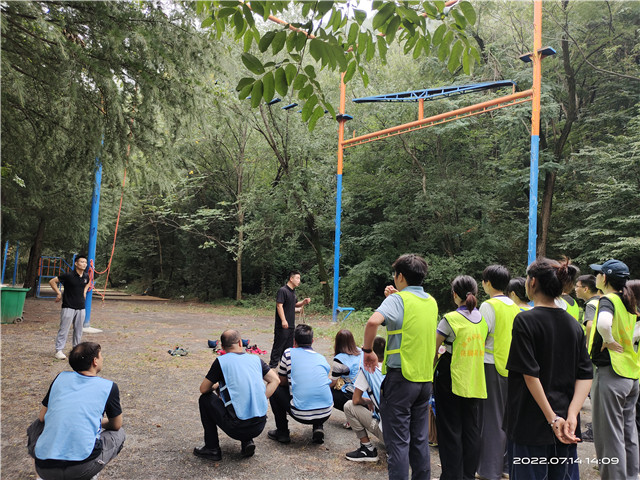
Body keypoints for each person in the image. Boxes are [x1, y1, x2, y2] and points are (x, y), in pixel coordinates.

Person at [504, 257, 593, 480]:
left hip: (530, 423)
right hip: (566, 427)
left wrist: (552, 419)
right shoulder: (574, 325)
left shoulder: (525, 321)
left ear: (532, 282)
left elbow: (530, 374)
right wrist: (571, 415)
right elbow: (585, 374)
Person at [362, 253, 438, 480]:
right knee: (419, 440)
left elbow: (373, 321)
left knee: (398, 444)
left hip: (401, 380)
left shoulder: (397, 301)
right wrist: (396, 297)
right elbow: (411, 318)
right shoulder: (431, 302)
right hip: (424, 382)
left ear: (400, 276)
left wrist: (368, 352)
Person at [27, 342, 125, 480]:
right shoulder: (108, 387)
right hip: (82, 469)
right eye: (101, 355)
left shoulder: (60, 378)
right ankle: (92, 473)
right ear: (95, 361)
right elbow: (116, 425)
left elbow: (42, 417)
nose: (102, 358)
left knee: (36, 425)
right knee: (119, 434)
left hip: (44, 468)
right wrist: (96, 422)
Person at [194, 329, 279, 461]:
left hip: (237, 428)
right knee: (243, 397)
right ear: (240, 342)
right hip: (259, 425)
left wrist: (216, 386)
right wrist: (260, 398)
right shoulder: (256, 360)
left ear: (222, 347)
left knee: (205, 399)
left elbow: (203, 389)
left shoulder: (221, 362)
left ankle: (212, 448)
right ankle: (247, 442)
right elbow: (275, 380)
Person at [589, 259, 639, 480]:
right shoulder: (629, 302)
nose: (596, 276)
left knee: (609, 437)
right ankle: (632, 476)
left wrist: (608, 340)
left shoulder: (608, 300)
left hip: (611, 374)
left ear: (605, 278)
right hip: (631, 375)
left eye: (599, 274)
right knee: (629, 433)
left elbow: (603, 324)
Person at [434, 275, 488, 480]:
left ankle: (451, 476)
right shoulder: (482, 320)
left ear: (455, 295)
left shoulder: (450, 319)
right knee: (471, 430)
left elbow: (434, 350)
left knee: (450, 430)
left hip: (451, 377)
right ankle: (467, 475)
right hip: (474, 378)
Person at [477, 264, 520, 480]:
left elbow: (479, 336)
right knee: (505, 418)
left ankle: (488, 470)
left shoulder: (489, 306)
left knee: (491, 419)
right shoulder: (513, 306)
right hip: (510, 367)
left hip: (491, 365)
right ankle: (505, 467)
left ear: (487, 283)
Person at [268, 324, 333, 444]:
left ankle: (282, 432)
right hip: (326, 412)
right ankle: (318, 427)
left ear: (294, 341)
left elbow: (281, 382)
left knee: (275, 387)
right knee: (316, 386)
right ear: (312, 341)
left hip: (301, 413)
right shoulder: (321, 358)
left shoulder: (288, 353)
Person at [343, 336, 386, 462]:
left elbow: (356, 400)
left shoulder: (368, 370)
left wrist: (368, 401)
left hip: (388, 434)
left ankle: (367, 449)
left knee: (349, 406)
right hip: (407, 434)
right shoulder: (395, 368)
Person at [49, 254, 91, 360]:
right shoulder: (68, 275)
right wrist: (58, 293)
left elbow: (88, 283)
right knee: (64, 329)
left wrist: (85, 292)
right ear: (76, 263)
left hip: (81, 307)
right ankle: (59, 350)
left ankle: (76, 350)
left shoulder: (86, 276)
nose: (84, 264)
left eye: (85, 262)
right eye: (82, 262)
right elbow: (52, 281)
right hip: (68, 306)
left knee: (78, 330)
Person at [269, 270, 311, 369]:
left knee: (288, 348)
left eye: (299, 278)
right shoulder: (283, 290)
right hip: (282, 325)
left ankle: (285, 368)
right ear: (291, 279)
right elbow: (279, 306)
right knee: (278, 346)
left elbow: (295, 304)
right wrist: (283, 320)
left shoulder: (292, 292)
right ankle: (272, 367)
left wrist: (303, 302)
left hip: (291, 325)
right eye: (297, 278)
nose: (299, 281)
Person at [330, 329, 363, 411]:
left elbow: (333, 383)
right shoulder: (361, 351)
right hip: (366, 392)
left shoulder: (339, 360)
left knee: (327, 393)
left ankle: (352, 412)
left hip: (354, 394)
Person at [574, 274, 600, 340]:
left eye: (577, 286)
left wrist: (587, 344)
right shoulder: (600, 301)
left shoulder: (590, 305)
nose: (575, 289)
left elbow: (590, 325)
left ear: (585, 289)